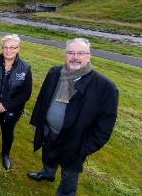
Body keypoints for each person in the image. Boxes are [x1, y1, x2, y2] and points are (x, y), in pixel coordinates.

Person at [28, 38, 118, 196]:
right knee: (48, 156)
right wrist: (38, 123)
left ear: (88, 56)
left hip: (75, 142)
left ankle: (65, 193)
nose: (75, 57)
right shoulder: (55, 73)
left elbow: (104, 127)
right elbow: (42, 98)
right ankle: (48, 173)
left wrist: (84, 148)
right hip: (50, 132)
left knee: (69, 174)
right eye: (71, 52)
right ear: (65, 54)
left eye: (80, 53)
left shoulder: (106, 88)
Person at [0, 34, 32, 168]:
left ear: (18, 49)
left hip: (11, 111)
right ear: (2, 48)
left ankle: (5, 155)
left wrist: (6, 106)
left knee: (8, 134)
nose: (8, 50)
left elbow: (26, 93)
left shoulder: (25, 68)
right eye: (5, 47)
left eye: (12, 47)